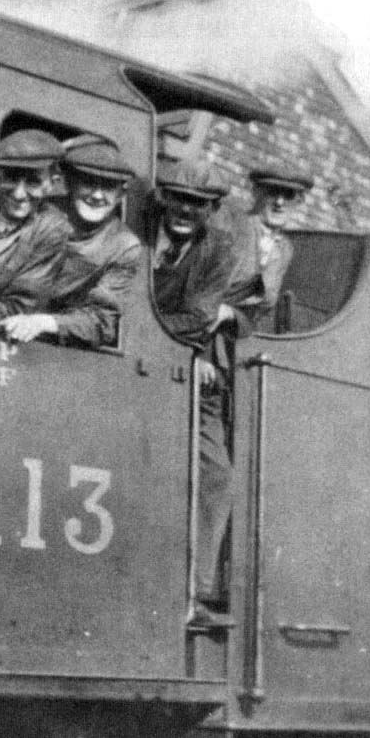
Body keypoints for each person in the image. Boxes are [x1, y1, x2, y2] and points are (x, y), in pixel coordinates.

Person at [150, 158, 237, 628]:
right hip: (141, 353)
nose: (185, 210)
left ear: (211, 210)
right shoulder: (136, 228)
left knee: (217, 472)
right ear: (162, 197)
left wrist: (190, 350)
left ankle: (196, 586)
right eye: (178, 198)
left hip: (186, 362)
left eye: (198, 204)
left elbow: (198, 317)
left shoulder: (218, 249)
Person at [0, 135, 141, 348]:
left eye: (109, 187)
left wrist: (46, 322)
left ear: (121, 194)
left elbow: (101, 321)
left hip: (53, 343)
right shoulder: (40, 211)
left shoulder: (124, 246)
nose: (97, 195)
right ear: (69, 183)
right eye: (89, 183)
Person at [212, 167, 314, 336]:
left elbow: (263, 306)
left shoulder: (284, 249)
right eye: (273, 192)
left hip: (236, 335)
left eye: (288, 195)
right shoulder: (231, 225)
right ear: (256, 192)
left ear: (299, 201)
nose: (279, 203)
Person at [0, 129, 71, 324]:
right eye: (11, 177)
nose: (18, 194)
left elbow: (20, 305)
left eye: (33, 182)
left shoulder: (52, 228)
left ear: (52, 184)